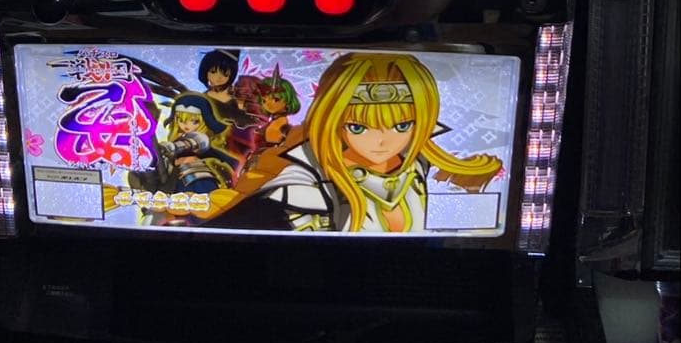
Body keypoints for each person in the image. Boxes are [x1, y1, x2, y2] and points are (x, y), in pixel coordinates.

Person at [205, 52, 503, 233]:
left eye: (402, 125)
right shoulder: (303, 187)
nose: (382, 140)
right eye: (359, 127)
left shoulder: (418, 165)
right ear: (332, 121)